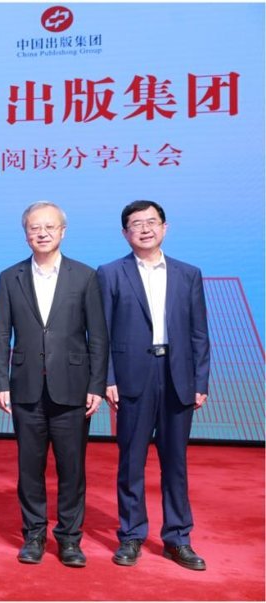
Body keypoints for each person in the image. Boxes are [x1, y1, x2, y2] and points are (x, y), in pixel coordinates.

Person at [0, 201, 108, 568]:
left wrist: (97, 385)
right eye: (34, 227)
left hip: (73, 387)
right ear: (25, 233)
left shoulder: (85, 276)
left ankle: (70, 539)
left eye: (49, 227)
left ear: (62, 232)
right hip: (25, 387)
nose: (42, 233)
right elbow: (0, 334)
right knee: (30, 467)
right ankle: (34, 535)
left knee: (72, 468)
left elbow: (98, 337)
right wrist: (0, 382)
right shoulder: (9, 277)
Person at [97, 200, 210, 571]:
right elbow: (101, 333)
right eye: (136, 223)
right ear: (124, 232)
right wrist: (107, 378)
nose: (145, 229)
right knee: (131, 461)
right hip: (132, 377)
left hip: (178, 376)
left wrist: (200, 380)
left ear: (165, 227)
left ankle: (178, 538)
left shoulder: (188, 274)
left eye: (151, 222)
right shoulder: (110, 273)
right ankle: (131, 535)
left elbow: (199, 333)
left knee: (175, 463)